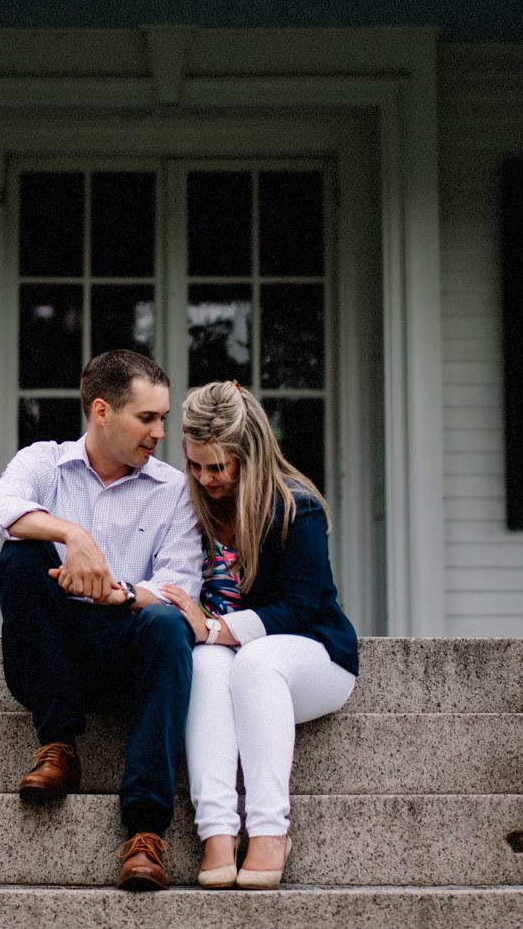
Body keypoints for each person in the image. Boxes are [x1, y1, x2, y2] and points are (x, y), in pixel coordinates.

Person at [0, 349, 204, 891]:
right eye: (146, 418)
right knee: (19, 556)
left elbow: (181, 587)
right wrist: (72, 536)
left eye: (162, 419)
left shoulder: (174, 489)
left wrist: (117, 593)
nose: (158, 433)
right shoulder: (44, 461)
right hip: (55, 651)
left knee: (168, 625)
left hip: (128, 648)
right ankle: (58, 744)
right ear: (101, 411)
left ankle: (146, 833)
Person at [159, 380, 359, 890]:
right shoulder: (192, 507)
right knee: (204, 663)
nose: (205, 478)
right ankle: (217, 832)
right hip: (228, 662)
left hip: (313, 658)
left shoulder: (295, 507)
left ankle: (270, 830)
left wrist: (218, 628)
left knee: (253, 660)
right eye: (195, 464)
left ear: (249, 455)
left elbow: (301, 605)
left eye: (218, 467)